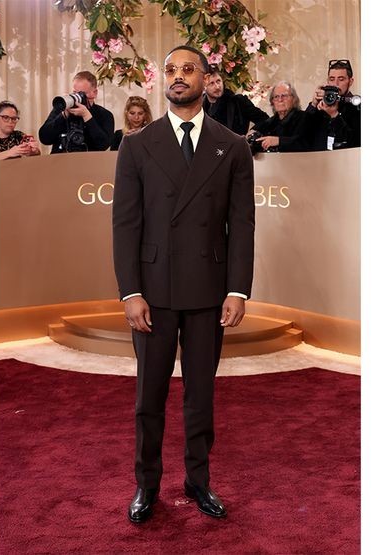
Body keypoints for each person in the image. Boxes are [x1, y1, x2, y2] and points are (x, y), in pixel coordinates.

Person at [113, 44, 255, 524]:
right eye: (171, 70)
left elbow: (242, 225)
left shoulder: (232, 145)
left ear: (204, 77)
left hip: (208, 292)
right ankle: (146, 485)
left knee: (201, 396)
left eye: (187, 69)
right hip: (151, 293)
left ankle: (198, 481)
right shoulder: (136, 144)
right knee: (148, 397)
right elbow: (125, 225)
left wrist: (238, 289)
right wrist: (130, 291)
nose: (177, 77)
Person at [38, 71, 115, 153]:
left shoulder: (104, 115)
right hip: (60, 162)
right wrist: (63, 115)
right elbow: (44, 138)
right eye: (74, 93)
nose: (77, 97)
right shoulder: (62, 109)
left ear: (94, 93)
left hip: (90, 163)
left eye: (82, 94)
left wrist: (87, 116)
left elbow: (103, 145)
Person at [305, 58, 361, 149]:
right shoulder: (322, 105)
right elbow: (301, 134)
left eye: (341, 79)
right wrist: (313, 104)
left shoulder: (356, 105)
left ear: (350, 81)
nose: (335, 84)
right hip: (320, 160)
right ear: (327, 81)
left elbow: (355, 141)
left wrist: (334, 115)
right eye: (332, 79)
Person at [248, 80, 309, 153]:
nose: (280, 100)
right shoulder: (269, 122)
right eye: (276, 97)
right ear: (272, 102)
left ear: (294, 99)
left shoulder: (304, 117)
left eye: (284, 96)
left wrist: (278, 141)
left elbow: (305, 143)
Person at [201, 71, 269, 136]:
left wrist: (252, 132)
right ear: (204, 87)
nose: (217, 86)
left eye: (218, 81)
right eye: (211, 83)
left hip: (236, 146)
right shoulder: (199, 107)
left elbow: (264, 119)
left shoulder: (238, 101)